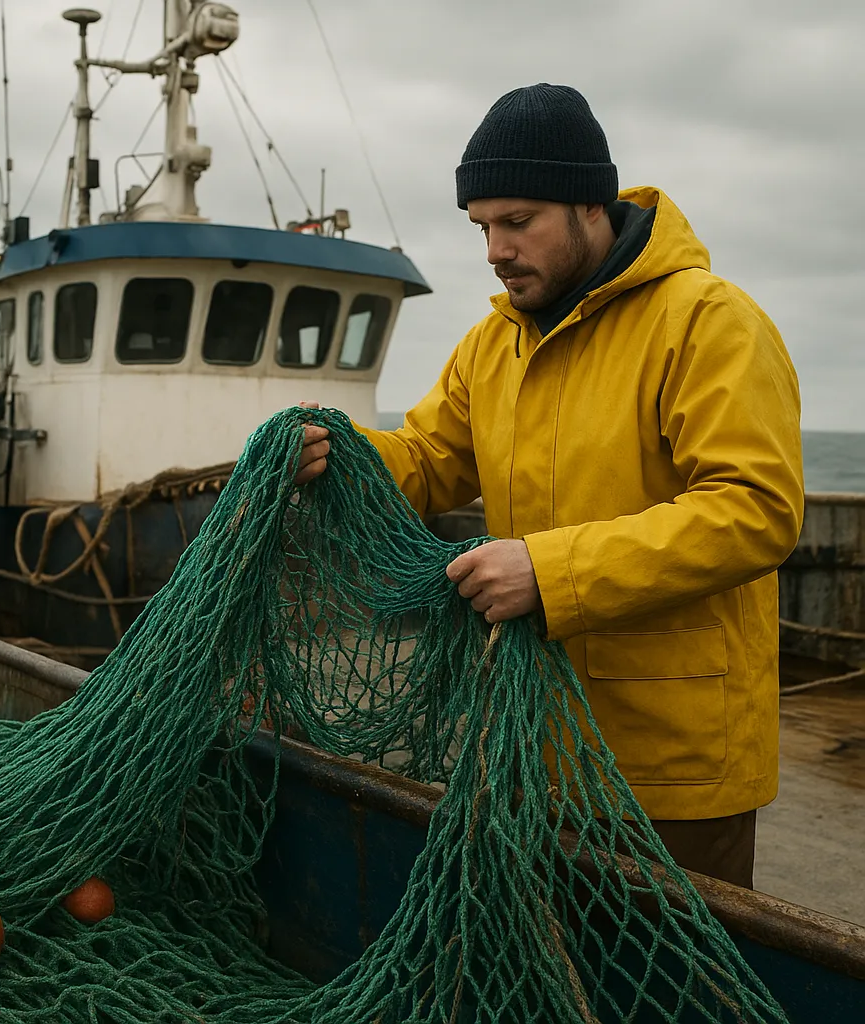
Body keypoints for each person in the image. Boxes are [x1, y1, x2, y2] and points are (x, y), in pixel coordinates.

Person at [295, 84, 805, 889]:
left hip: (673, 765)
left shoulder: (709, 322)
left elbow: (755, 511)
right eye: (482, 226)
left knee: (667, 998)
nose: (494, 249)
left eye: (518, 220)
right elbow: (428, 456)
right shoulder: (492, 344)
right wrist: (340, 450)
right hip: (529, 742)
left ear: (589, 205)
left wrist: (548, 570)